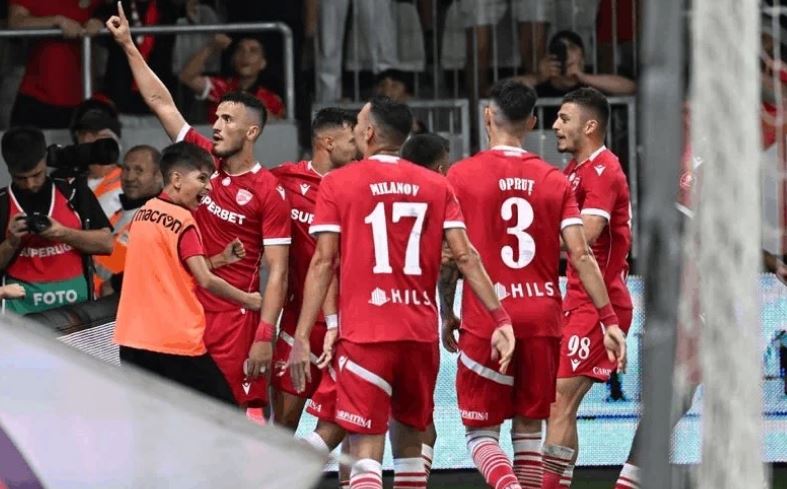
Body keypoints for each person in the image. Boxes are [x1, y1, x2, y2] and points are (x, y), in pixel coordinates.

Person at [288, 95, 516, 489]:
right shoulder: (437, 185)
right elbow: (465, 256)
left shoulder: (338, 183)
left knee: (365, 449)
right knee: (412, 443)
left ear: (369, 133)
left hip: (366, 334)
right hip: (418, 335)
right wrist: (501, 318)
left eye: (359, 123)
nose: (356, 130)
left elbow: (323, 263)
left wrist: (304, 335)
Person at [442, 80, 626, 489]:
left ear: (487, 116)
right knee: (528, 432)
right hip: (543, 318)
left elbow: (450, 257)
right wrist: (609, 320)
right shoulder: (554, 179)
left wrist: (445, 311)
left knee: (480, 434)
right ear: (531, 122)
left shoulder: (461, 175)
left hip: (490, 318)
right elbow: (581, 254)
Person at [106, 3, 292, 409]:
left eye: (228, 120)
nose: (217, 126)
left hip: (234, 322)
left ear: (252, 132)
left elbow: (278, 270)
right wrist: (128, 45)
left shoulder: (268, 191)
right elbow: (162, 102)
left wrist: (265, 335)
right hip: (184, 317)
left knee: (233, 417)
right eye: (217, 117)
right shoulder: (200, 159)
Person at [114, 141, 262, 405]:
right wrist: (248, 299)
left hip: (133, 341)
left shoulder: (144, 214)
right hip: (174, 341)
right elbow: (204, 279)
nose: (209, 187)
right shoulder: (183, 221)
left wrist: (219, 259)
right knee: (224, 413)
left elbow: (171, 269)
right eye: (202, 178)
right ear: (176, 179)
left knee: (150, 419)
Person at [543, 87, 634, 488]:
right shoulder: (573, 172)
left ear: (590, 126)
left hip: (601, 305)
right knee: (557, 404)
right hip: (575, 300)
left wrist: (533, 238)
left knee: (560, 400)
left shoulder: (605, 170)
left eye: (564, 118)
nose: (555, 125)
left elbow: (588, 235)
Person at [269, 107, 359, 431]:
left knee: (348, 425)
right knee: (283, 423)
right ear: (327, 142)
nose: (359, 147)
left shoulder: (361, 186)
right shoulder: (283, 180)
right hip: (298, 322)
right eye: (352, 140)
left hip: (349, 327)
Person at [0, 127, 113, 315]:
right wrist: (11, 243)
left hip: (77, 312)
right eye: (20, 178)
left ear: (45, 159)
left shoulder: (72, 192)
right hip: (22, 319)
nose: (30, 184)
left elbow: (107, 244)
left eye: (36, 175)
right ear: (8, 168)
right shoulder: (3, 203)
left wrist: (63, 233)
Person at [8, 0, 104, 128]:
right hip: (36, 95)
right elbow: (15, 21)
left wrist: (101, 22)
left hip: (83, 97)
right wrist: (56, 21)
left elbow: (116, 13)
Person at [94, 145, 163, 296]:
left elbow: (160, 270)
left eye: (139, 170)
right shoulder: (117, 214)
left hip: (127, 304)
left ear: (158, 175)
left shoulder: (161, 219)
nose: (130, 177)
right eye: (126, 169)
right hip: (95, 303)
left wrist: (115, 284)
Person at [179, 34, 285, 124]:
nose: (245, 55)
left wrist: (266, 118)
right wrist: (211, 47)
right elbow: (186, 77)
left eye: (253, 51)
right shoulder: (219, 87)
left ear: (263, 63)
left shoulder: (273, 100)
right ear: (233, 59)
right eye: (240, 50)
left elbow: (283, 132)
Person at [71, 99, 125, 219]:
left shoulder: (129, 181)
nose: (90, 140)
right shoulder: (67, 181)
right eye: (84, 134)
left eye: (102, 135)